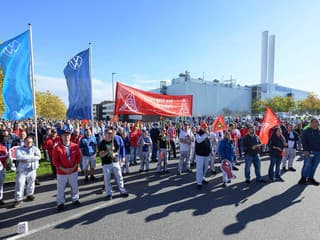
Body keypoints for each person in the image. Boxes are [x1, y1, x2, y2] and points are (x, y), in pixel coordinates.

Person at [52, 129, 81, 211]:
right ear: (61, 136)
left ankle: (75, 199)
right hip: (62, 172)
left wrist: (74, 167)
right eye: (64, 135)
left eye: (68, 135)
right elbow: (55, 161)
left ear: (70, 136)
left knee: (74, 186)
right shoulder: (57, 148)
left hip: (73, 171)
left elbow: (78, 158)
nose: (66, 137)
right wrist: (63, 169)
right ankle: (60, 203)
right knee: (61, 188)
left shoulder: (75, 146)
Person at [98, 128, 129, 200]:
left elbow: (118, 151)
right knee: (107, 179)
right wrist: (108, 150)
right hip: (106, 164)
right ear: (105, 134)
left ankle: (122, 190)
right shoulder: (101, 143)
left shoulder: (114, 141)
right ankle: (109, 193)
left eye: (111, 133)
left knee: (119, 177)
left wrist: (115, 153)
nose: (110, 135)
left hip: (115, 162)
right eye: (108, 133)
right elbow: (101, 155)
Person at [14, 136, 41, 207]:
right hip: (22, 169)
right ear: (24, 141)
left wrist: (26, 158)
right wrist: (32, 157)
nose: (29, 143)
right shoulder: (19, 149)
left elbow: (39, 157)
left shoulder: (35, 148)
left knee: (31, 182)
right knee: (20, 183)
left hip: (32, 168)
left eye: (30, 142)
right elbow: (18, 157)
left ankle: (29, 194)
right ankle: (18, 199)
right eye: (27, 142)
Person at [298, 119, 320, 185]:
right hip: (309, 151)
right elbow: (303, 141)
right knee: (307, 165)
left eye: (317, 122)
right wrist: (305, 150)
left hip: (318, 152)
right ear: (311, 123)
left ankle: (310, 178)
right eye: (314, 122)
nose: (315, 123)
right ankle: (303, 178)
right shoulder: (306, 131)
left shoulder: (319, 131)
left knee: (314, 166)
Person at [195, 122, 212, 189]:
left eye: (206, 127)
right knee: (200, 168)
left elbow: (209, 143)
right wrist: (206, 134)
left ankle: (203, 178)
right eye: (204, 127)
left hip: (206, 154)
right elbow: (199, 140)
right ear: (201, 127)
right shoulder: (198, 134)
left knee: (205, 168)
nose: (205, 128)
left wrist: (211, 151)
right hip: (200, 154)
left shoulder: (206, 134)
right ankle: (199, 183)